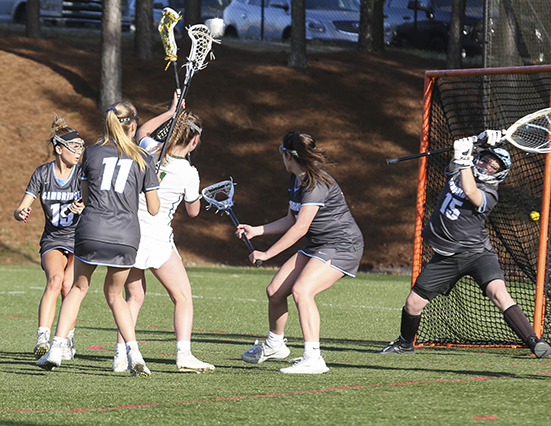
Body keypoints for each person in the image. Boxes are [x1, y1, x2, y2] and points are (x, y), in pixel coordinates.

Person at [379, 133, 551, 358]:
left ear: (499, 173)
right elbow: (456, 166)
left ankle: (535, 343)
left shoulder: (490, 194)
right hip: (447, 258)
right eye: (484, 160)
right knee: (412, 304)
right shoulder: (460, 172)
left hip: (478, 254)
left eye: (493, 165)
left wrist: (464, 160)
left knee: (498, 293)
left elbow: (471, 191)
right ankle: (404, 344)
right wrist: (475, 140)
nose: (486, 165)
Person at [36, 101, 160, 376]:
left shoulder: (90, 153)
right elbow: (153, 208)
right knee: (116, 295)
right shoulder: (143, 157)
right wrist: (151, 177)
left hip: (92, 231)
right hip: (126, 235)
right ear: (134, 125)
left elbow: (88, 197)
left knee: (78, 289)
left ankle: (56, 348)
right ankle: (134, 354)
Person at [236, 130, 364, 374]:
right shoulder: (296, 180)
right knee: (275, 291)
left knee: (302, 291)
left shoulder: (315, 184)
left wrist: (267, 254)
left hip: (342, 245)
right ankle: (275, 345)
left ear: (287, 155)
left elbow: (300, 228)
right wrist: (256, 230)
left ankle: (313, 358)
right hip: (319, 244)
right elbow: (290, 219)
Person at [111, 103, 215, 374]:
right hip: (156, 238)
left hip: (129, 233)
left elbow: (144, 129)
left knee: (134, 297)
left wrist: (171, 111)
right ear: (194, 140)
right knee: (182, 296)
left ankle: (121, 356)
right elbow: (193, 212)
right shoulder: (188, 172)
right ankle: (184, 354)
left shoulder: (148, 149)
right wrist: (195, 193)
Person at [14, 116, 85, 360]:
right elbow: (20, 207)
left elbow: (96, 203)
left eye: (80, 146)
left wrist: (83, 207)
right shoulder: (43, 173)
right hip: (54, 239)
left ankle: (67, 339)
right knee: (55, 280)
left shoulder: (82, 173)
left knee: (69, 286)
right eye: (74, 146)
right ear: (58, 148)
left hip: (80, 239)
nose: (78, 151)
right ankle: (43, 339)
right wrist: (20, 212)